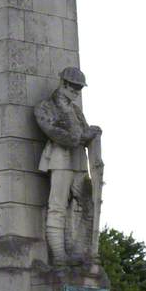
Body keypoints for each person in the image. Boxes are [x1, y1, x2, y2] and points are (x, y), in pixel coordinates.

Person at [34, 67, 101, 267]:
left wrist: (91, 132)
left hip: (79, 161)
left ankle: (80, 250)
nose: (76, 92)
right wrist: (81, 136)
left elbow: (82, 131)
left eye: (79, 88)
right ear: (63, 84)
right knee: (57, 207)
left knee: (88, 204)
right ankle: (59, 255)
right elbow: (54, 131)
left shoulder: (75, 110)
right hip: (60, 159)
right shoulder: (45, 107)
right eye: (73, 87)